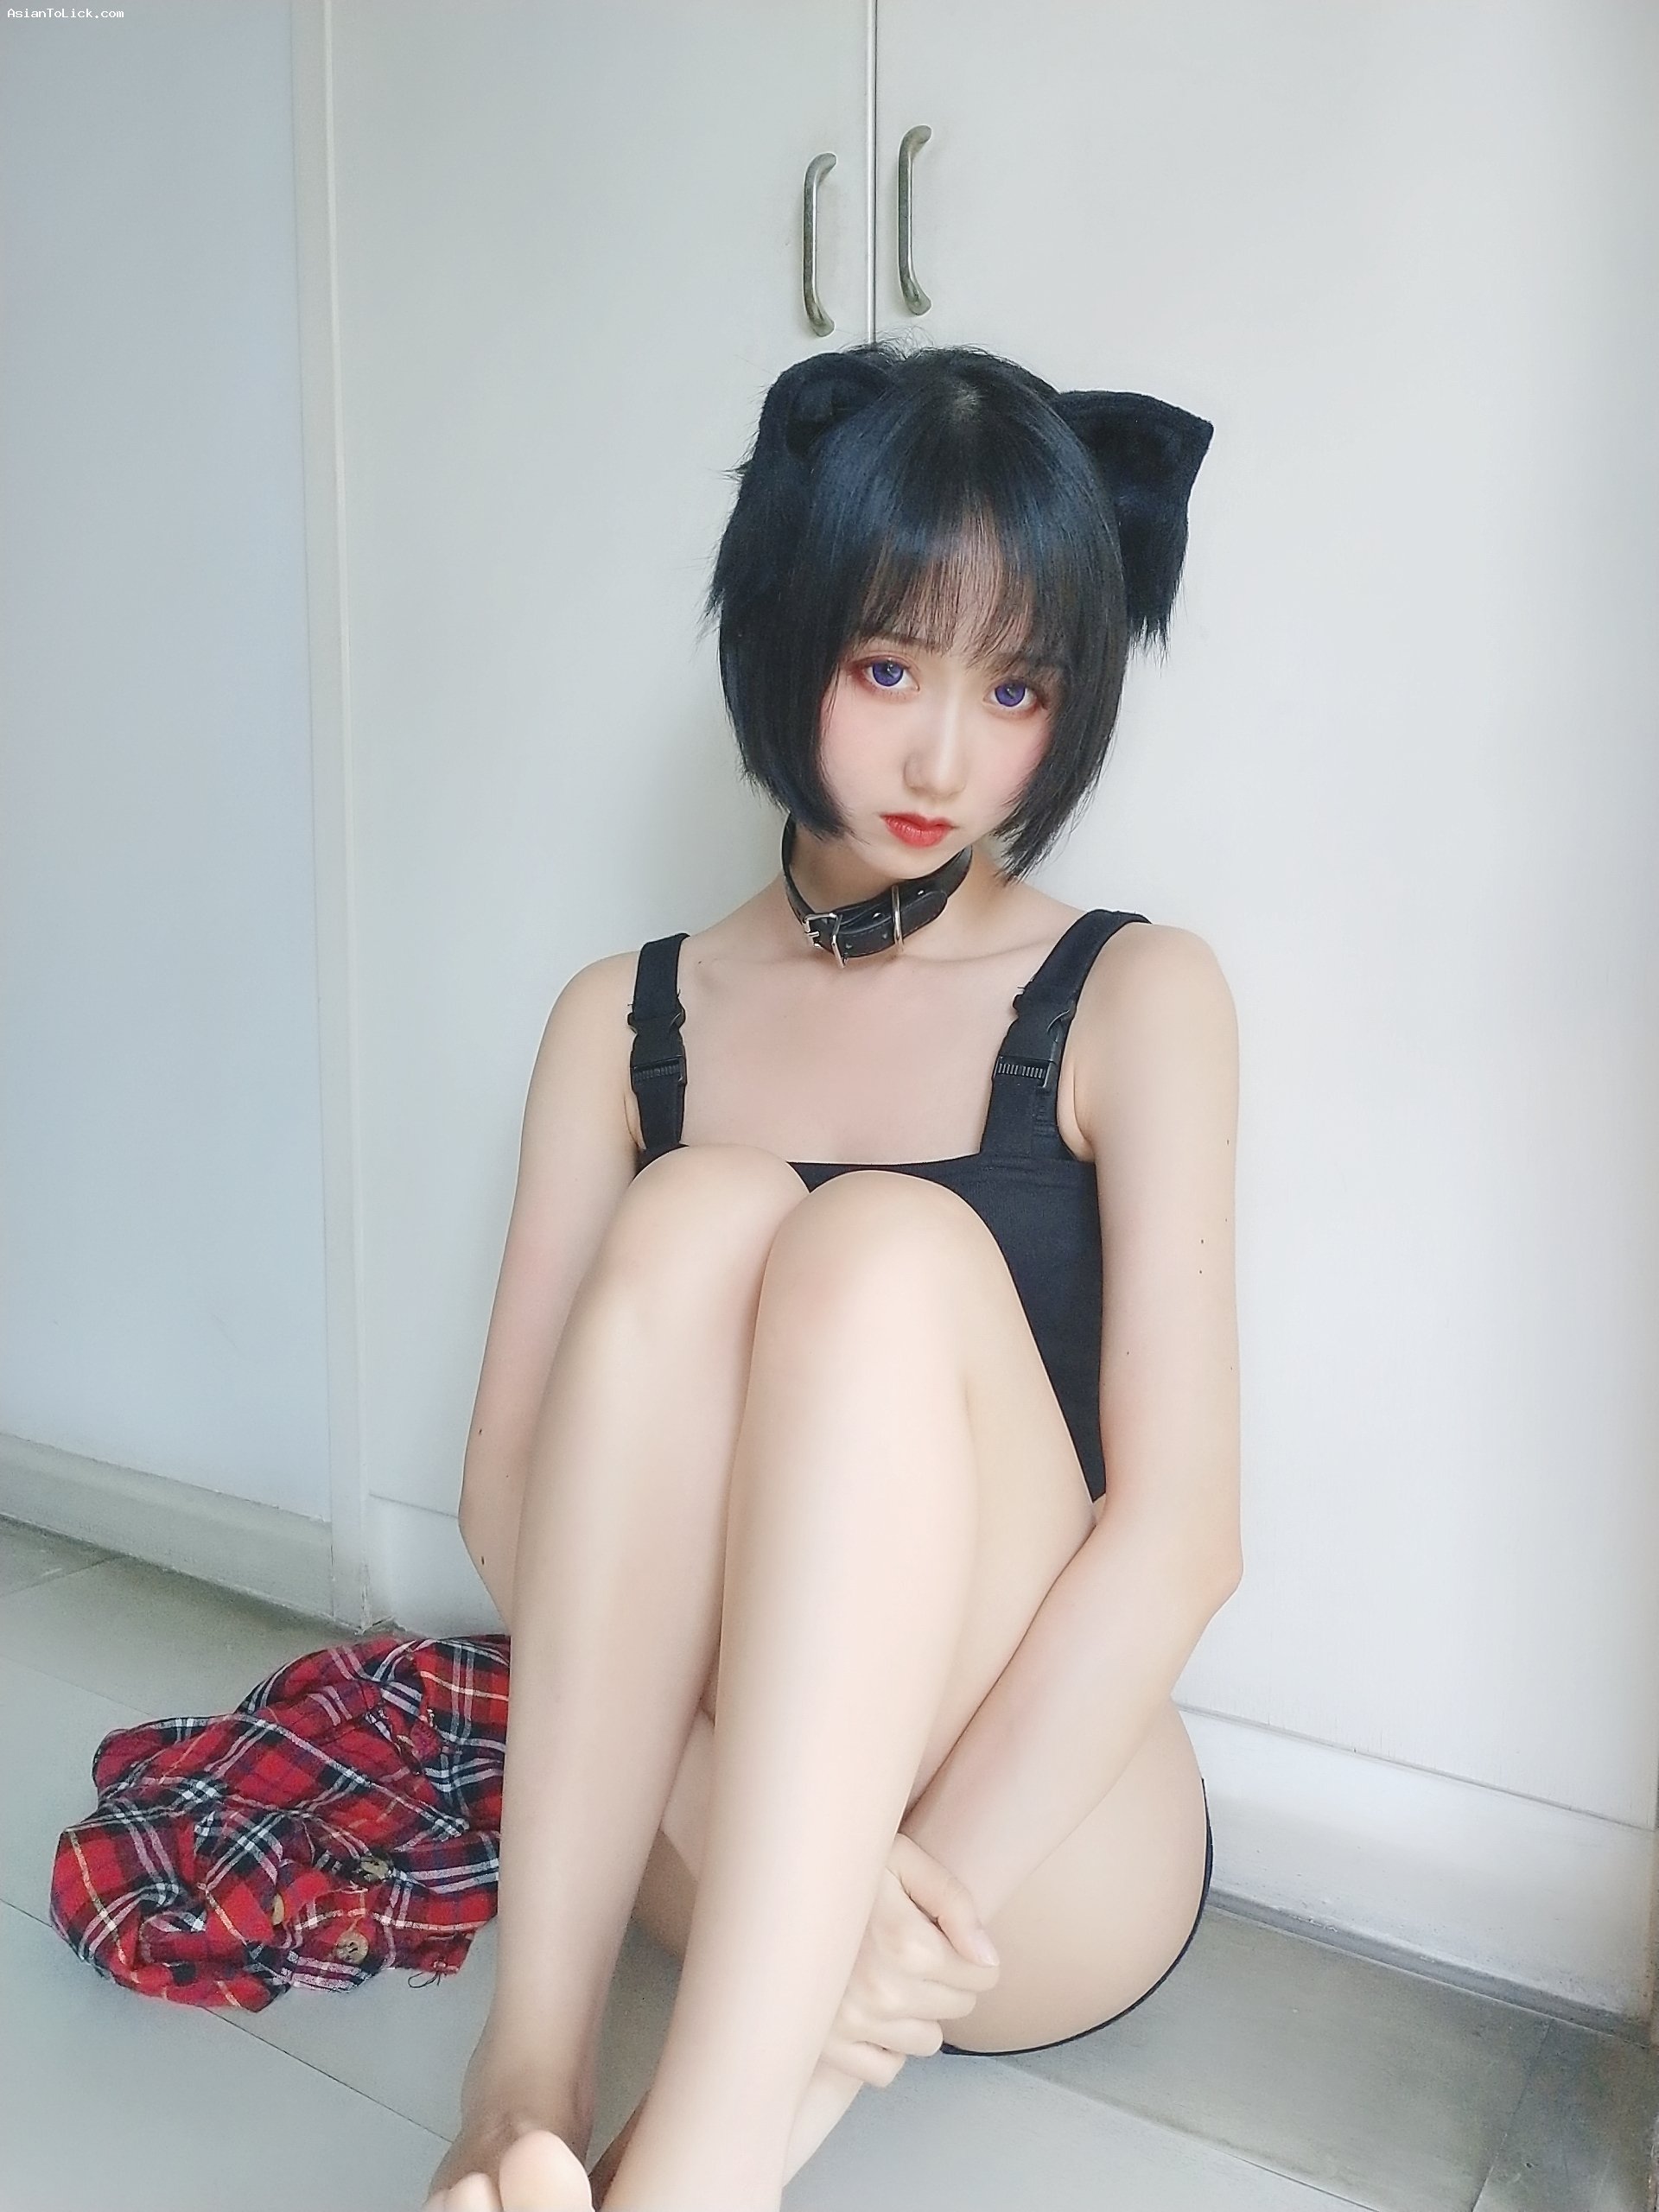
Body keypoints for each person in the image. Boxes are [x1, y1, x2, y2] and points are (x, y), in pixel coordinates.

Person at [423, 340, 1241, 2212]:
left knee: (873, 1250)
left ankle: (702, 2168)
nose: (948, 759)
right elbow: (508, 1488)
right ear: (783, 637)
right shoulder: (620, 1017)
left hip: (1030, 1861)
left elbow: (1181, 1538)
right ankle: (520, 2089)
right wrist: (749, 1826)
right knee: (700, 1216)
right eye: (888, 668)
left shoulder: (1136, 992)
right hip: (705, 1834)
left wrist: (894, 1912)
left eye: (1015, 688)